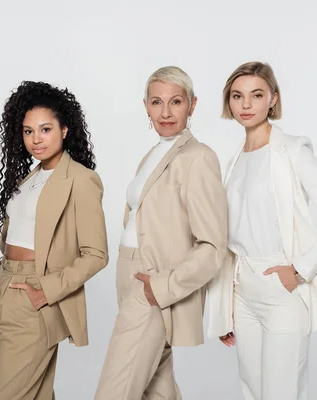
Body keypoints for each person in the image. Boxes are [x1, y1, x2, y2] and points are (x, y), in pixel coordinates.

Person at [207, 61, 317, 400]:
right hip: (241, 292)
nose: (246, 105)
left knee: (281, 392)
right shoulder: (234, 161)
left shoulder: (292, 151)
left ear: (273, 99)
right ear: (228, 102)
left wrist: (300, 270)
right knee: (252, 390)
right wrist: (223, 307)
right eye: (237, 96)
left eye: (256, 95)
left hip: (281, 291)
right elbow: (230, 237)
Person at [95, 66, 228, 399]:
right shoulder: (154, 154)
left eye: (176, 102)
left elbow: (213, 246)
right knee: (157, 387)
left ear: (192, 105)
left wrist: (163, 286)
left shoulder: (198, 157)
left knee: (116, 388)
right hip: (131, 273)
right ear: (146, 107)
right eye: (156, 102)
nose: (165, 112)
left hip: (154, 281)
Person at [0, 81, 109, 399]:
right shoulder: (32, 176)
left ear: (65, 129)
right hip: (6, 284)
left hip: (35, 292)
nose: (35, 139)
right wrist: (7, 260)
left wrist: (47, 289)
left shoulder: (81, 180)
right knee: (37, 393)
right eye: (28, 131)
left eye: (45, 129)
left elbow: (96, 254)